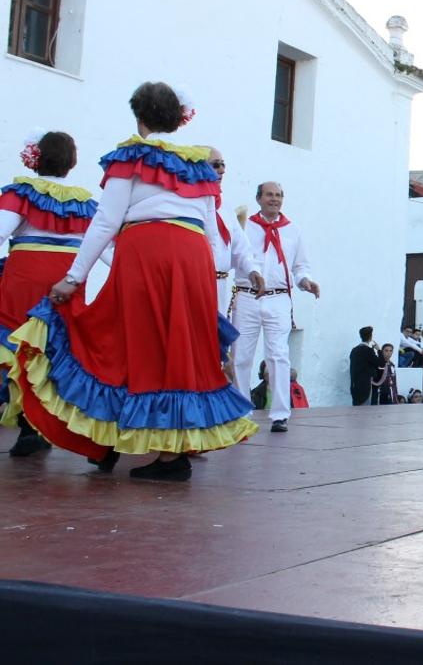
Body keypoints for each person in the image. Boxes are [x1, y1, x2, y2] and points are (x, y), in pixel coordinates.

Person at [9, 82, 260, 480]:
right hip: (193, 257)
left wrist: (74, 278)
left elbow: (106, 222)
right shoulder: (199, 164)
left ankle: (111, 443)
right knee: (176, 348)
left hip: (148, 251)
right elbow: (212, 231)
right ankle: (161, 452)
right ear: (178, 120)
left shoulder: (130, 156)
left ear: (140, 117)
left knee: (124, 341)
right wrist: (205, 286)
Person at [0, 131, 99, 457]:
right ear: (72, 163)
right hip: (66, 283)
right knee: (53, 351)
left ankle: (26, 423)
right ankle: (38, 426)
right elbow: (107, 249)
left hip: (25, 280)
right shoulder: (84, 204)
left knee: (15, 345)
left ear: (35, 158)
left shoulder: (20, 194)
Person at [232, 181, 320, 433]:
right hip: (248, 296)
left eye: (279, 195)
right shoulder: (244, 226)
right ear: (259, 198)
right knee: (241, 355)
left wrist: (306, 282)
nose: (275, 199)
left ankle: (280, 414)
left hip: (278, 297)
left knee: (278, 355)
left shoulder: (293, 230)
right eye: (269, 195)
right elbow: (235, 256)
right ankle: (242, 411)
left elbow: (300, 265)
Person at [204, 147, 259, 320]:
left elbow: (240, 246)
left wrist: (252, 270)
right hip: (196, 282)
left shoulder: (225, 207)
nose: (222, 170)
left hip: (221, 285)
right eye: (216, 165)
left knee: (216, 338)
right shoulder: (190, 204)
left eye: (223, 165)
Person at [349, 326, 381, 405]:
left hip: (354, 384)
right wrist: (379, 350)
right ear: (371, 336)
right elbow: (380, 363)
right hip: (365, 385)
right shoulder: (368, 350)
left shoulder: (354, 350)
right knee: (364, 410)